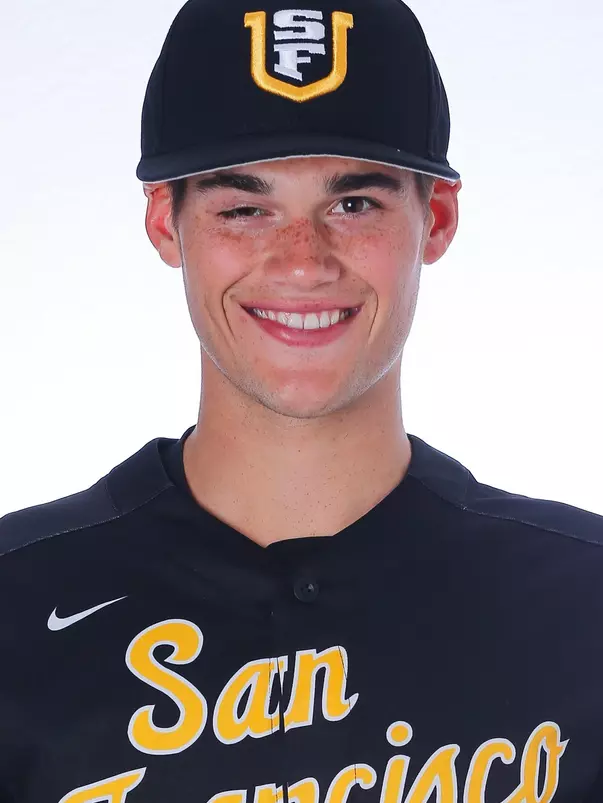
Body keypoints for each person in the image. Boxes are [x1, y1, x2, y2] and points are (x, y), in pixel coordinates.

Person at [1, 0, 603, 800]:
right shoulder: (18, 602)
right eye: (244, 208)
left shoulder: (580, 603)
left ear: (437, 217)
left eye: (353, 203)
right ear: (165, 224)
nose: (301, 261)